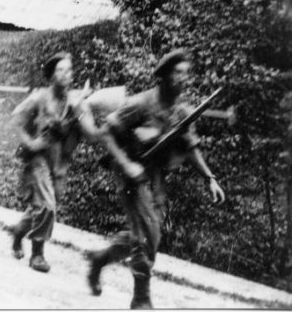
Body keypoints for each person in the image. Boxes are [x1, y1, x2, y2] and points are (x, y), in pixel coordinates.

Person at [85, 49, 226, 309]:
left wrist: (210, 178)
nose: (183, 79)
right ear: (163, 76)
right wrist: (127, 166)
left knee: (149, 233)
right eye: (177, 73)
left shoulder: (183, 111)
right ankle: (141, 298)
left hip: (155, 174)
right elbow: (106, 133)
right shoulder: (140, 103)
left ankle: (100, 259)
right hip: (130, 171)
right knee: (147, 233)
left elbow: (191, 146)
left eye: (186, 74)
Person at [10, 52, 101, 273]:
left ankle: (18, 232)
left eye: (69, 70)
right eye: (61, 70)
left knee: (42, 207)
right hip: (38, 157)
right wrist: (30, 143)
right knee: (47, 205)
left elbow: (90, 133)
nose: (66, 74)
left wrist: (83, 112)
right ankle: (37, 254)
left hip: (60, 159)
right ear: (51, 75)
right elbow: (16, 118)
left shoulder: (74, 101)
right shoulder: (40, 98)